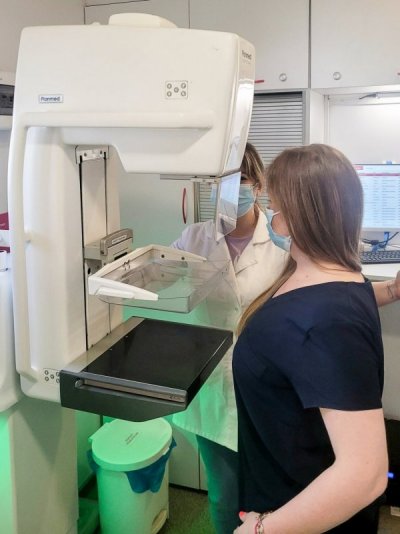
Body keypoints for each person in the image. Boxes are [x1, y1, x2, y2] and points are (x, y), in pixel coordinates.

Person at [232, 144, 389, 533]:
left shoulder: (325, 319)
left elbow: (365, 474)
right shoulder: (341, 279)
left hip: (301, 514)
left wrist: (262, 530)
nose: (272, 218)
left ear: (300, 217)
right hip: (285, 481)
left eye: (275, 208)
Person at [170, 142, 288, 534]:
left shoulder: (282, 240)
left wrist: (388, 290)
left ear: (259, 186)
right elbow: (160, 273)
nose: (231, 191)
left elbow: (327, 281)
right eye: (220, 182)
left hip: (269, 385)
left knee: (271, 492)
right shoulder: (195, 238)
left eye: (241, 181)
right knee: (223, 495)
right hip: (215, 384)